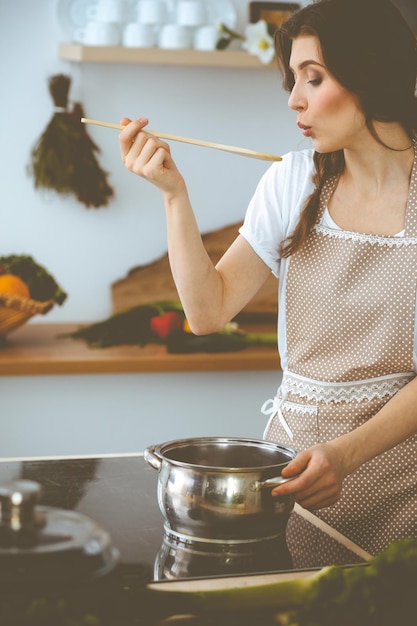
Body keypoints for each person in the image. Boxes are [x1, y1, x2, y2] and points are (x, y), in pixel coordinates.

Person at [119, 0, 417, 556]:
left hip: (404, 487)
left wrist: (346, 455)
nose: (294, 100)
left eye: (315, 78)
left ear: (370, 73)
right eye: (293, 80)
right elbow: (208, 313)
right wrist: (173, 195)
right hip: (295, 481)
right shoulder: (293, 181)